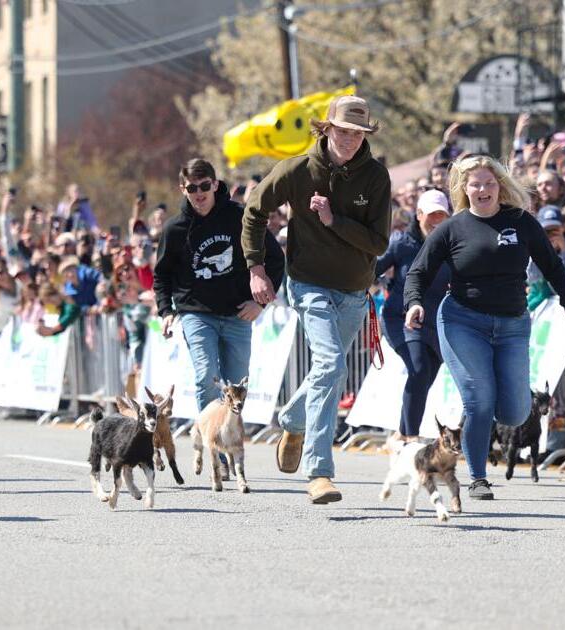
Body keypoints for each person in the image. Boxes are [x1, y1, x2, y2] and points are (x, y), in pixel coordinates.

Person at [404, 155, 565, 500]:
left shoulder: (521, 222)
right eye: (475, 184)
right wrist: (413, 302)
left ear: (499, 187)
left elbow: (551, 263)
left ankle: (480, 417)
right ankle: (477, 477)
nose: (483, 189)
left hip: (513, 323)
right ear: (464, 189)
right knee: (480, 400)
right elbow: (418, 272)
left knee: (516, 411)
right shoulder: (451, 228)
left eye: (489, 183)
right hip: (462, 321)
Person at [241, 95, 391, 504]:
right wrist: (256, 268)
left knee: (328, 369)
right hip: (309, 284)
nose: (349, 140)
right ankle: (319, 471)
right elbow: (254, 211)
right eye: (343, 131)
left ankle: (292, 418)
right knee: (330, 364)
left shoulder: (376, 177)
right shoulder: (297, 170)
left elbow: (378, 243)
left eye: (358, 133)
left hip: (356, 290)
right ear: (326, 128)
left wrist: (334, 221)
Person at [154, 158, 284, 433]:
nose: (199, 194)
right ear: (183, 189)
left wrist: (260, 303)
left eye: (204, 186)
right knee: (205, 377)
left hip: (238, 314)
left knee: (235, 386)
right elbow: (162, 274)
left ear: (215, 184)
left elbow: (274, 259)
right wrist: (166, 311)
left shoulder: (240, 217)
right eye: (192, 188)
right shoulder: (174, 229)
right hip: (196, 314)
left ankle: (226, 440)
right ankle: (213, 440)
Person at [375, 190, 451, 443]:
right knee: (418, 368)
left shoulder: (453, 245)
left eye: (442, 214)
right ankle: (411, 437)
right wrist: (356, 289)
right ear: (418, 215)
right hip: (401, 318)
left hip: (436, 323)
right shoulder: (401, 243)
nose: (437, 219)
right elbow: (371, 269)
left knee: (426, 375)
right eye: (431, 214)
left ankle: (401, 433)